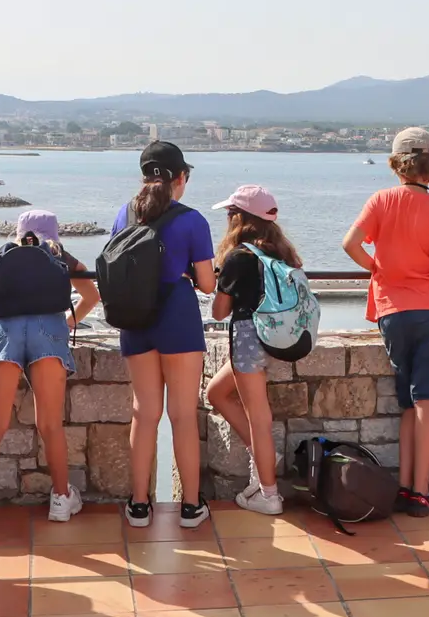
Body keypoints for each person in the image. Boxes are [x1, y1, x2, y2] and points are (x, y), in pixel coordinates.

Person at [342, 127, 429, 518]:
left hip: (391, 309)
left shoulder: (380, 201)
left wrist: (378, 266)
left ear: (396, 166)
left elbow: (351, 244)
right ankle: (420, 490)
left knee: (409, 402)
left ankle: (406, 485)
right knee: (427, 400)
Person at [0, 210, 97, 527]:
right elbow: (91, 295)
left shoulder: (3, 254)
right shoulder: (59, 254)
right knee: (50, 423)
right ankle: (61, 498)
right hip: (49, 332)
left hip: (6, 333)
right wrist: (68, 323)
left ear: (18, 232)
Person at [112, 141, 216, 529]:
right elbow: (207, 283)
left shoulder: (124, 214)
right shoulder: (192, 220)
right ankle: (190, 507)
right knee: (182, 416)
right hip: (177, 318)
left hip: (135, 320)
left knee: (145, 413)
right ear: (180, 178)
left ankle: (139, 505)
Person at [206, 185, 301, 515]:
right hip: (275, 337)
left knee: (259, 420)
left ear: (240, 219)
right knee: (215, 393)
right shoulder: (282, 253)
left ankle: (269, 494)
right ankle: (264, 455)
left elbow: (219, 312)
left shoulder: (238, 257)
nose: (228, 219)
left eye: (230, 213)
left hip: (248, 338)